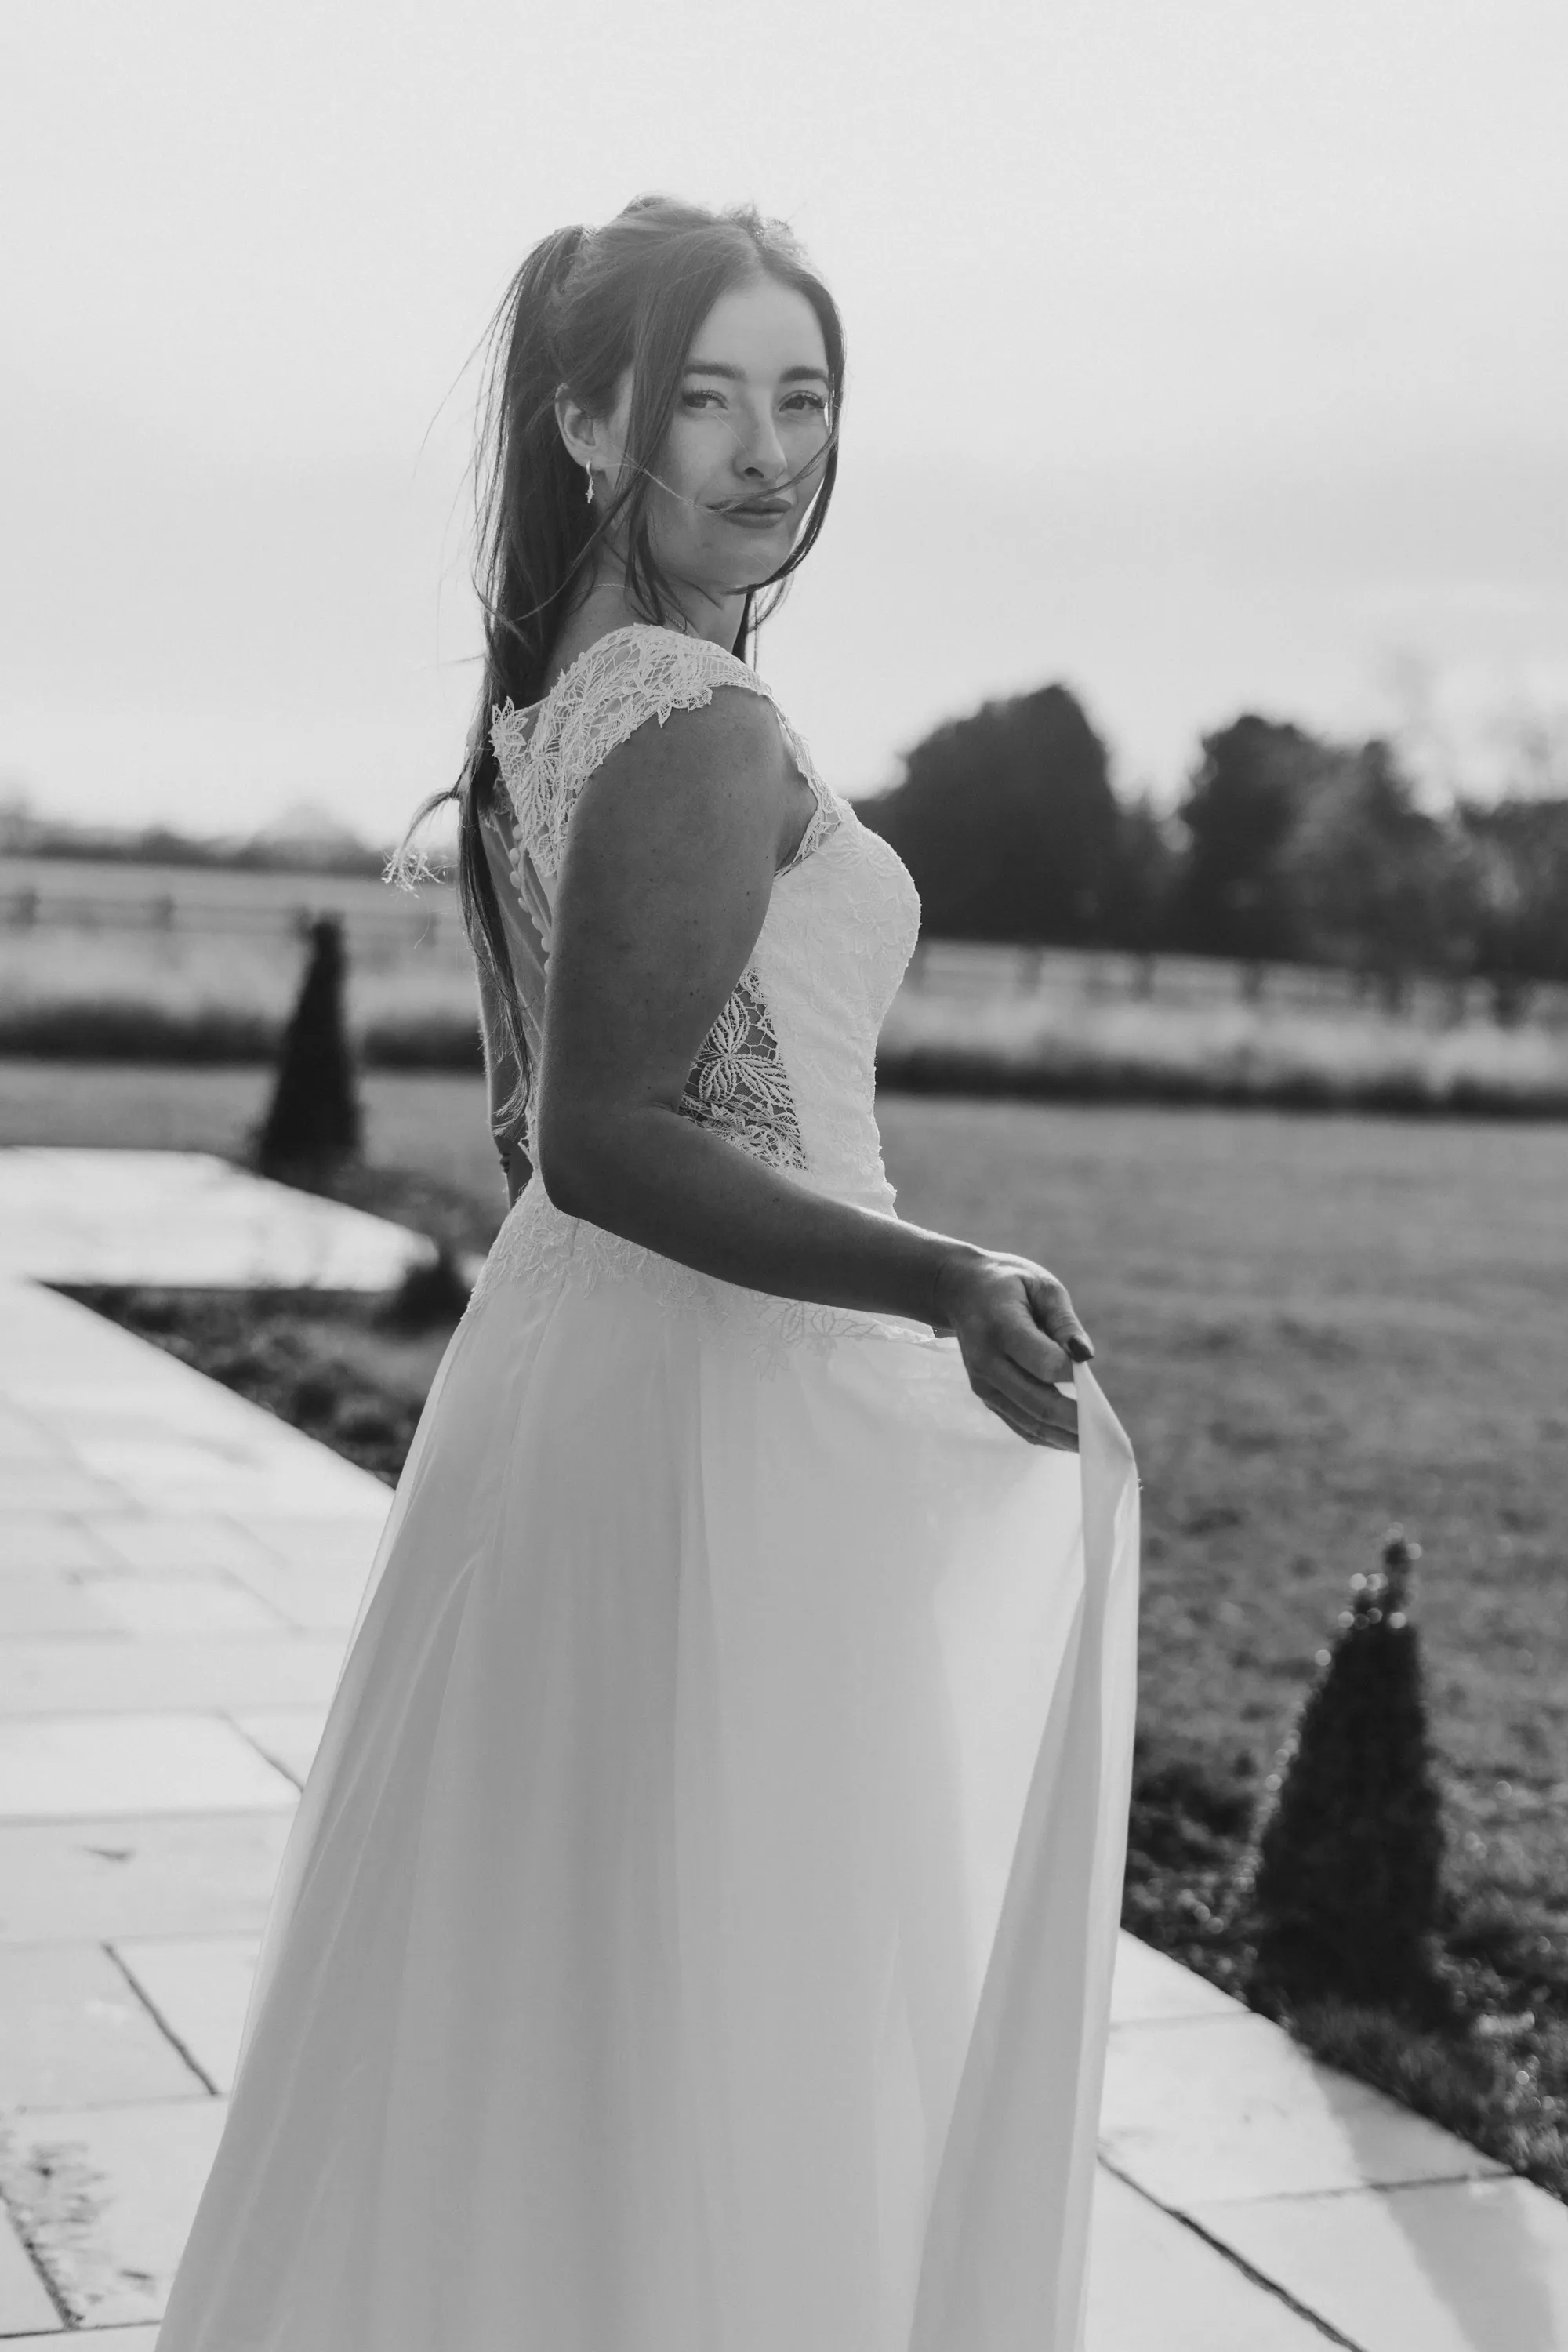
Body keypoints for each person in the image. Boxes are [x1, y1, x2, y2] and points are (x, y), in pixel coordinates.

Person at [154, 192, 1140, 2352]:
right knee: (728, 1984)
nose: (770, 452)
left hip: (574, 1383)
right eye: (709, 400)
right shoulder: (693, 715)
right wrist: (942, 1274)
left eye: (806, 397)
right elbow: (601, 1141)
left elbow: (539, 1143)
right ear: (593, 423)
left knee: (566, 1979)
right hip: (716, 1402)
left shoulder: (549, 702)